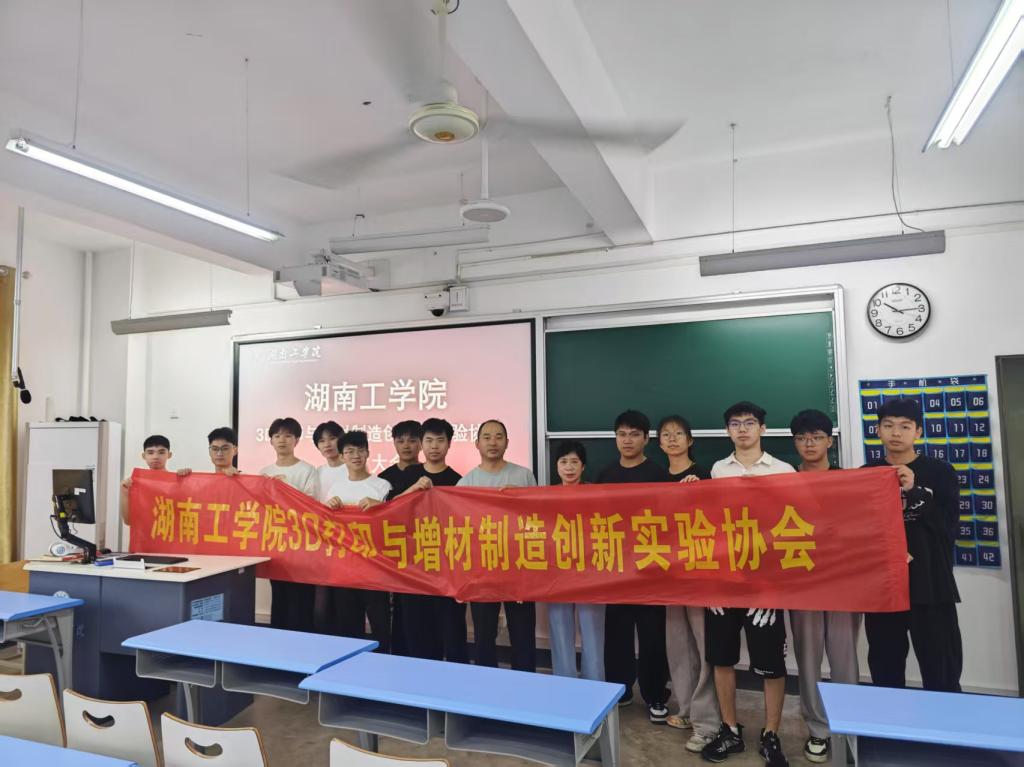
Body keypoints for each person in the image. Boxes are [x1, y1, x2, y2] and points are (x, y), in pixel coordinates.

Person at [703, 401, 794, 767]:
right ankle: (730, 729)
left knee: (771, 664)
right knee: (721, 658)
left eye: (750, 423)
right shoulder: (717, 470)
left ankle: (771, 734)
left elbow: (794, 528)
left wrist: (775, 589)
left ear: (763, 429)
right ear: (727, 431)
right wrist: (712, 584)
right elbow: (709, 526)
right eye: (735, 424)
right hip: (725, 580)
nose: (742, 429)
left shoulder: (783, 470)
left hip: (766, 583)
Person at [863, 398, 962, 692]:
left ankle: (944, 720)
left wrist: (915, 490)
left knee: (941, 669)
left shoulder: (941, 472)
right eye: (888, 425)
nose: (896, 433)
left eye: (905, 426)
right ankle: (892, 721)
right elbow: (858, 530)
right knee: (885, 668)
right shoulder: (866, 474)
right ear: (878, 430)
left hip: (931, 583)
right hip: (885, 586)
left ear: (918, 431)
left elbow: (948, 527)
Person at [789, 409, 860, 764]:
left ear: (829, 441)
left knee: (845, 658)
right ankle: (817, 729)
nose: (809, 444)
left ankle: (849, 729)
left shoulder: (849, 482)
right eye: (802, 438)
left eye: (816, 437)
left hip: (843, 583)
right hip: (802, 583)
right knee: (808, 660)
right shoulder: (783, 482)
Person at [597, 409, 672, 724]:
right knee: (617, 634)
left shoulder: (659, 474)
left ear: (646, 438)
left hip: (650, 568)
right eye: (622, 434)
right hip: (616, 567)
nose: (627, 440)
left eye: (634, 434)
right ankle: (621, 690)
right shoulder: (604, 475)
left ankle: (655, 695)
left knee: (653, 635)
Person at [657, 415, 720, 752]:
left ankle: (707, 721)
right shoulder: (655, 478)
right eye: (666, 435)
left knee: (704, 645)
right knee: (678, 645)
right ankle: (685, 709)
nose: (672, 439)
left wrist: (699, 494)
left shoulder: (706, 475)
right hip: (668, 573)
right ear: (659, 442)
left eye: (678, 434)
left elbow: (719, 520)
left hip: (699, 572)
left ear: (690, 440)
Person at [456, 419, 538, 672]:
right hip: (482, 570)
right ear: (477, 443)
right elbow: (459, 532)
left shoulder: (523, 475)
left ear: (507, 442)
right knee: (484, 635)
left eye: (499, 436)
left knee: (523, 633)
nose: (493, 442)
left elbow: (538, 520)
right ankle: (486, 686)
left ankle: (525, 685)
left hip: (519, 567)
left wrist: (523, 499)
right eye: (487, 437)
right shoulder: (466, 483)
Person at [397, 417, 468, 662]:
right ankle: (419, 680)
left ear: (449, 444)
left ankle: (454, 680)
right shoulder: (409, 474)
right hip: (413, 566)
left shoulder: (458, 481)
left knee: (451, 630)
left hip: (447, 568)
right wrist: (413, 489)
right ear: (421, 444)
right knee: (417, 631)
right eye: (429, 440)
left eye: (440, 440)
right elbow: (390, 511)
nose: (434, 446)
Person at [325, 430, 393, 651]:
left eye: (360, 450)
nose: (356, 456)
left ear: (368, 453)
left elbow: (393, 523)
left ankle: (383, 665)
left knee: (380, 625)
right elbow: (328, 529)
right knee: (348, 628)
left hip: (375, 567)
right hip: (345, 568)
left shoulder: (382, 486)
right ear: (342, 456)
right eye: (350, 451)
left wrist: (381, 507)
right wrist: (329, 508)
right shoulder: (335, 489)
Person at [547, 440, 605, 681]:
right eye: (563, 462)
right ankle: (564, 684)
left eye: (574, 462)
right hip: (557, 572)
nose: (569, 467)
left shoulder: (597, 495)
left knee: (592, 630)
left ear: (583, 466)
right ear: (556, 466)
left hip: (590, 571)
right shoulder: (543, 497)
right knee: (560, 629)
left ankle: (595, 685)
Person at [260, 417, 319, 633]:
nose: (282, 440)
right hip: (277, 542)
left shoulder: (308, 470)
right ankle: (277, 642)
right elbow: (259, 507)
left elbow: (312, 505)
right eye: (277, 436)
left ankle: (303, 643)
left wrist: (285, 490)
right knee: (279, 595)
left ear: (296, 440)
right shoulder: (265, 472)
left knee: (301, 597)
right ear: (271, 441)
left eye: (287, 435)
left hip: (302, 543)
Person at [312, 420, 346, 635]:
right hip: (322, 541)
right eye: (322, 440)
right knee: (321, 602)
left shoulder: (352, 468)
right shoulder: (317, 472)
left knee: (344, 601)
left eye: (332, 438)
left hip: (347, 542)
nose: (327, 444)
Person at [119, 434, 187, 524]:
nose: (155, 457)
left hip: (170, 530)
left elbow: (186, 513)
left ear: (169, 455)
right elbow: (128, 521)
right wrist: (124, 492)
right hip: (146, 532)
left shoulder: (177, 481)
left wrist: (187, 480)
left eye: (161, 452)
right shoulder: (133, 483)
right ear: (144, 456)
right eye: (150, 453)